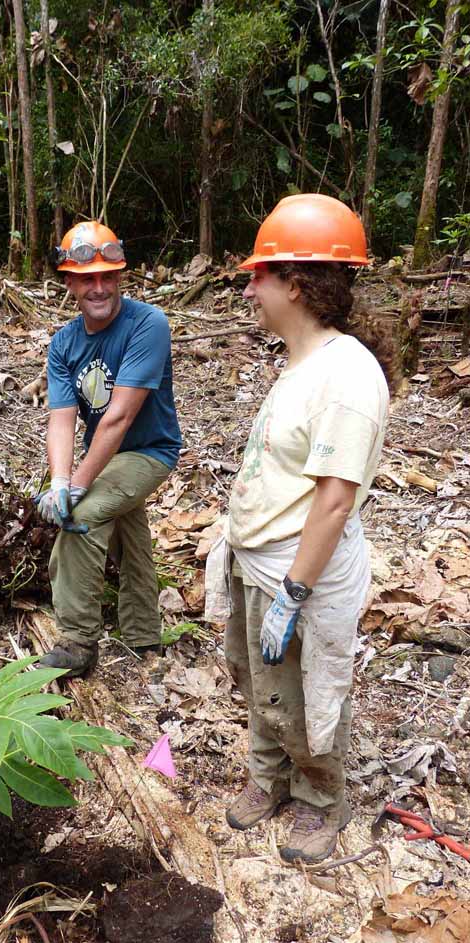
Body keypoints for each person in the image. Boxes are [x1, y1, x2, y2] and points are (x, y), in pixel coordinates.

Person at [205, 194, 399, 863]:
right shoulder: (301, 360)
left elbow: (335, 502)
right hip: (261, 557)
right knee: (261, 683)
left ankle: (321, 799)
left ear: (296, 283)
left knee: (303, 692)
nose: (248, 286)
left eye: (259, 275)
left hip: (300, 570)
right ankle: (270, 780)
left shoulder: (346, 377)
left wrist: (294, 591)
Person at [35, 220, 182, 676]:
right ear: (70, 282)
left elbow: (118, 417)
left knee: (81, 516)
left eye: (107, 277)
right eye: (86, 279)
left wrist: (75, 491)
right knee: (124, 522)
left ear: (119, 276)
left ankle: (78, 640)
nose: (98, 288)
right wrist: (60, 479)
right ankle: (143, 633)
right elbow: (61, 419)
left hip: (149, 452)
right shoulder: (64, 343)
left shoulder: (147, 325)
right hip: (108, 456)